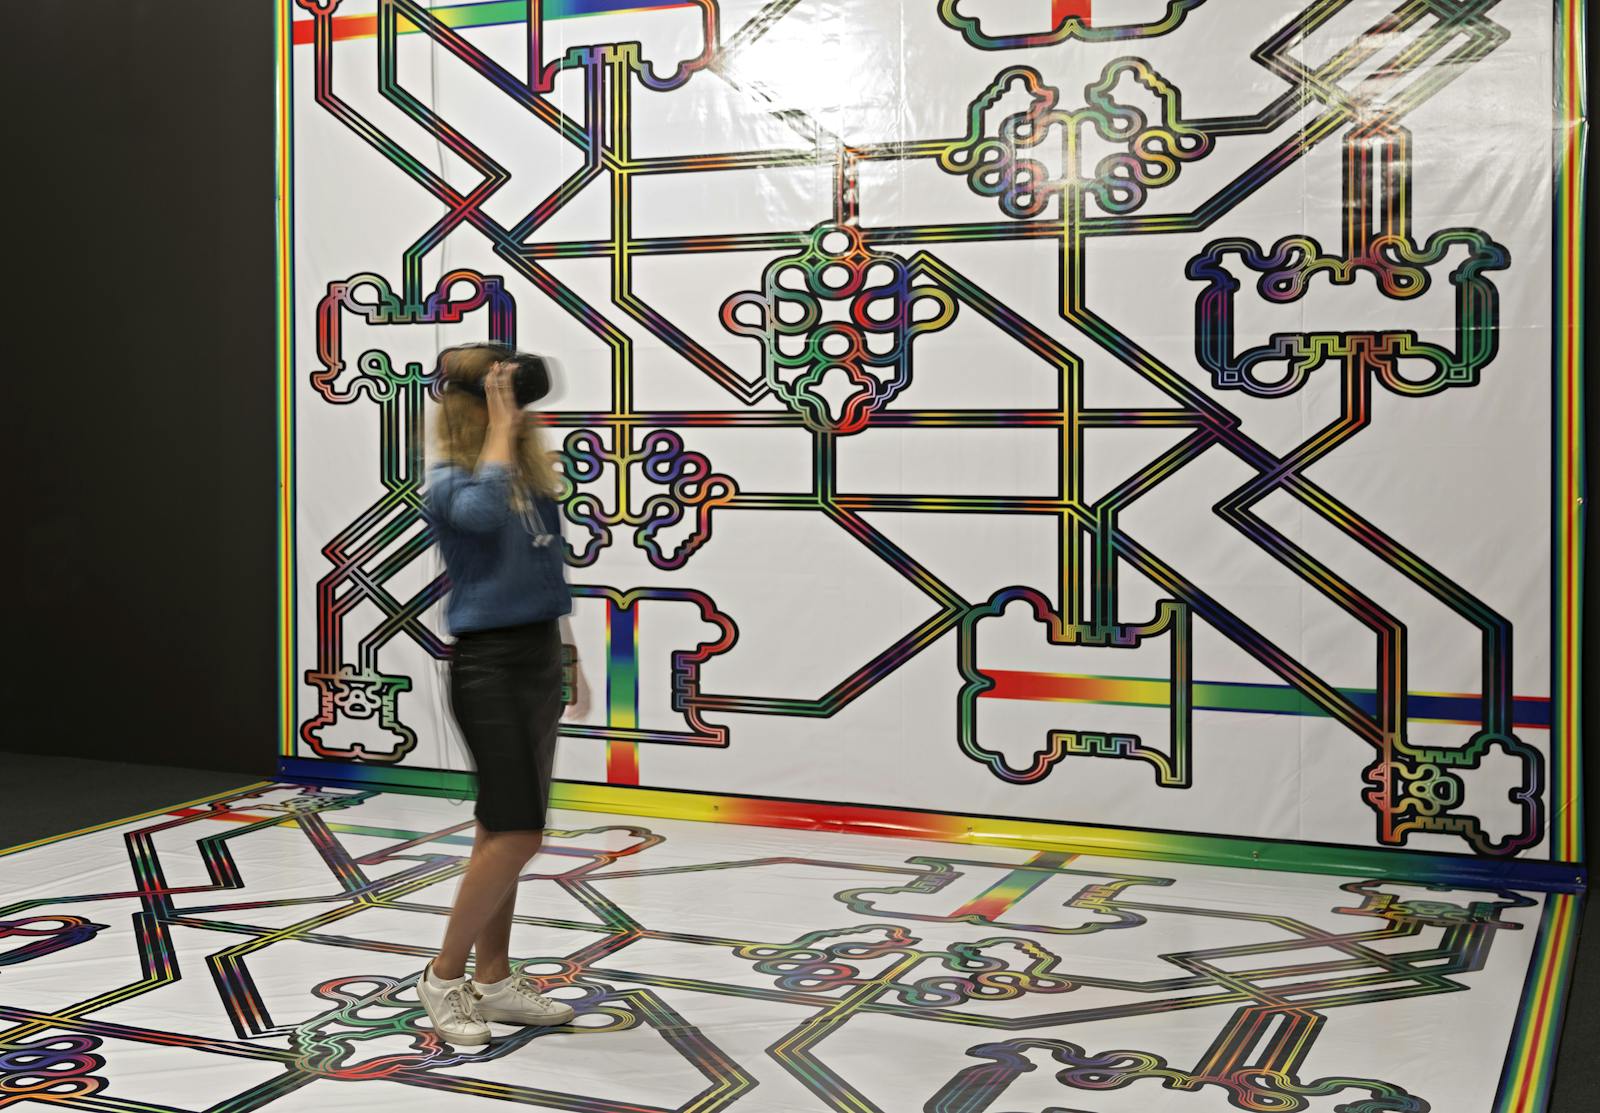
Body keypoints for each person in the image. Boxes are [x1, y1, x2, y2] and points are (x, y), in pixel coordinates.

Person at [417, 343, 589, 1046]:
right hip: (487, 665)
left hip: (537, 655)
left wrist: (569, 654)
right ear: (475, 404)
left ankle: (493, 980)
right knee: (520, 831)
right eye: (497, 390)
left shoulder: (527, 475)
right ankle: (442, 976)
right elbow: (482, 514)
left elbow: (548, 571)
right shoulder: (448, 482)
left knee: (500, 832)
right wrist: (499, 425)